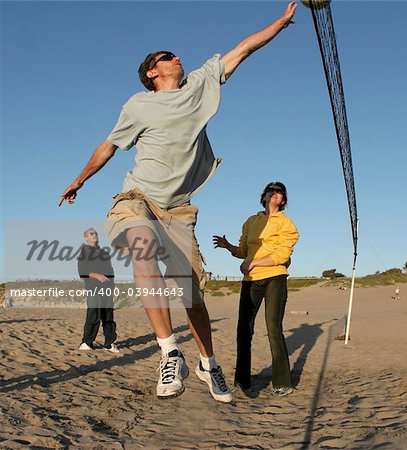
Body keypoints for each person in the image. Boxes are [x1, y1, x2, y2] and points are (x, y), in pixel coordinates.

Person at [58, 1, 298, 403]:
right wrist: (79, 180)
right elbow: (109, 145)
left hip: (179, 211)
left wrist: (281, 21)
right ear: (153, 71)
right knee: (142, 249)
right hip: (137, 199)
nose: (177, 57)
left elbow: (243, 49)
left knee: (192, 296)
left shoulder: (201, 84)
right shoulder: (137, 104)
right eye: (167, 56)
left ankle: (208, 363)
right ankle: (170, 353)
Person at [213, 182, 299, 396]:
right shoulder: (251, 221)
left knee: (273, 328)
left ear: (283, 200)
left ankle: (282, 383)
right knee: (244, 329)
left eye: (279, 192)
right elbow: (244, 251)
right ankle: (242, 381)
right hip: (250, 280)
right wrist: (229, 246)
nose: (275, 193)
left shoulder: (286, 223)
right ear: (264, 195)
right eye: (271, 190)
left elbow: (282, 256)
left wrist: (255, 263)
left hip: (275, 278)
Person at [78, 228, 119, 353]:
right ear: (86, 237)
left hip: (107, 288)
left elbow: (110, 271)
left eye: (95, 233)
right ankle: (87, 342)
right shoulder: (84, 252)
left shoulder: (104, 252)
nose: (94, 234)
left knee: (108, 315)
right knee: (94, 314)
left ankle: (109, 342)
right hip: (93, 287)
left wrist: (114, 286)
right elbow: (82, 271)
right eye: (91, 233)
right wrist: (96, 275)